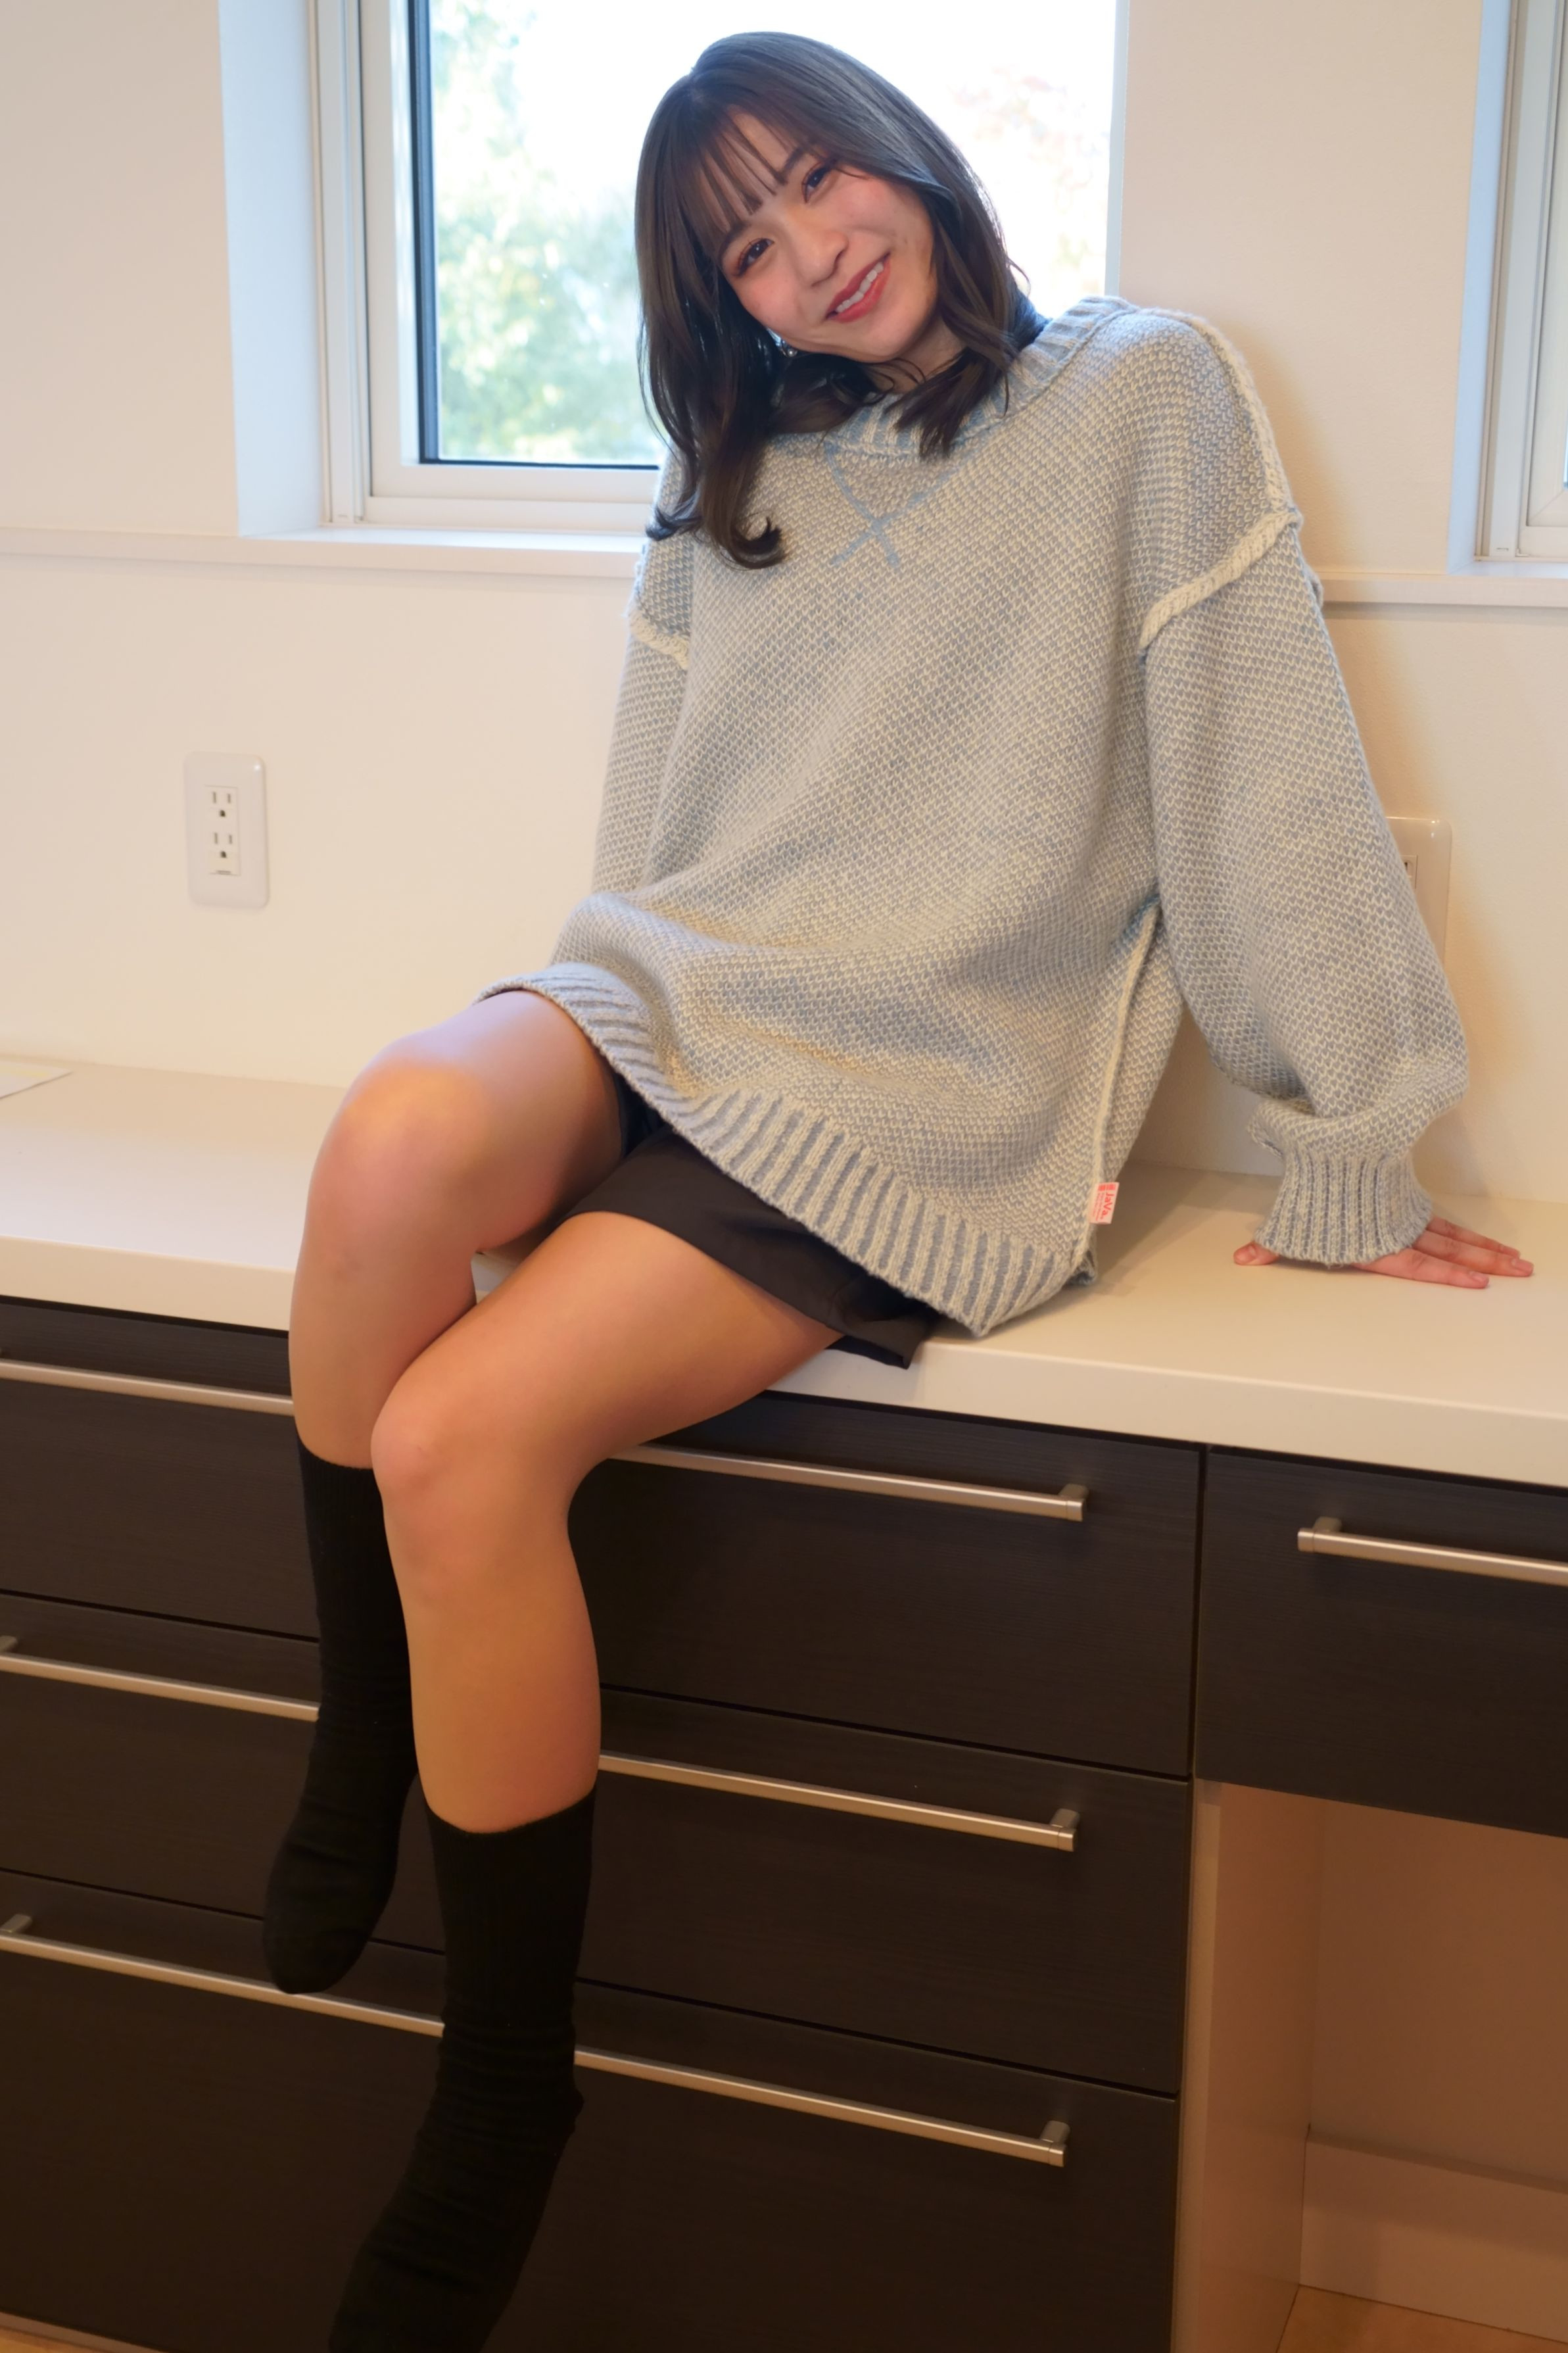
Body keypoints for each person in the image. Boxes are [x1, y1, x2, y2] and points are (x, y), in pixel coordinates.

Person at [268, 30, 1532, 2351]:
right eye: (743, 249)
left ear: (905, 155)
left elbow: (1259, 766)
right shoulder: (732, 468)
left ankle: (502, 2094)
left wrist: (1354, 1129)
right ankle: (364, 1732)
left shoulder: (1144, 391)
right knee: (386, 1142)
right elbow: (653, 828)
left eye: (815, 183)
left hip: (910, 1071)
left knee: (456, 1438)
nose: (806, 255)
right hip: (670, 995)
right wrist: (592, 1081)